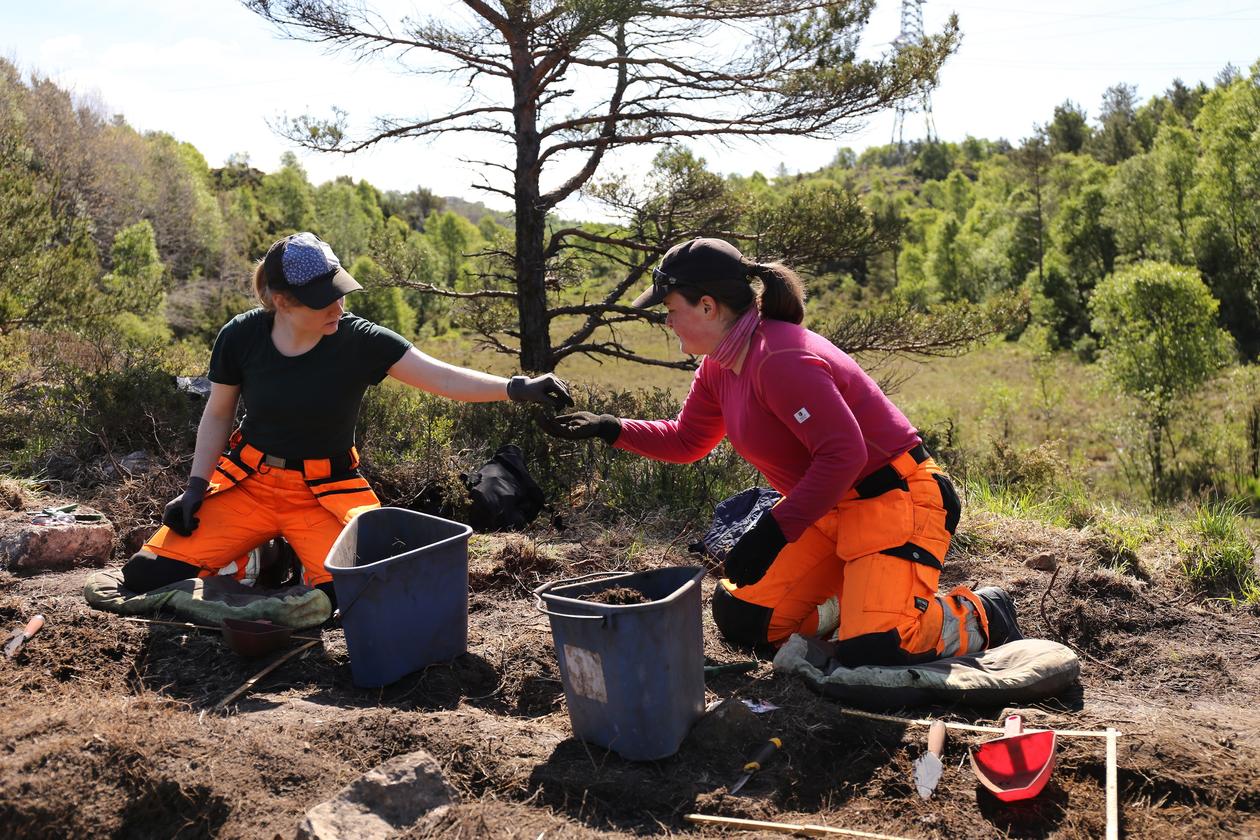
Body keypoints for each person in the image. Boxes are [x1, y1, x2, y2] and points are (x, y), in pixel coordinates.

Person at [541, 238, 1021, 667]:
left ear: (707, 306)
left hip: (896, 499)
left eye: (670, 308)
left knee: (876, 651)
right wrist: (610, 428)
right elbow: (688, 441)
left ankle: (982, 612)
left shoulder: (780, 358)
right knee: (745, 619)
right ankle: (862, 600)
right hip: (827, 510)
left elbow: (844, 456)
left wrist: (772, 532)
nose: (666, 321)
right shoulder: (720, 365)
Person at [122, 231, 571, 610]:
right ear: (282, 301)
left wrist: (517, 387)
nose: (337, 307)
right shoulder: (241, 335)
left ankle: (291, 556)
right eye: (323, 301)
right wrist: (196, 487)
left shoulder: (360, 340)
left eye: (338, 292)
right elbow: (218, 413)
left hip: (325, 492)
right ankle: (260, 556)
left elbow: (443, 378)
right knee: (146, 575)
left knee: (359, 596)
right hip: (249, 483)